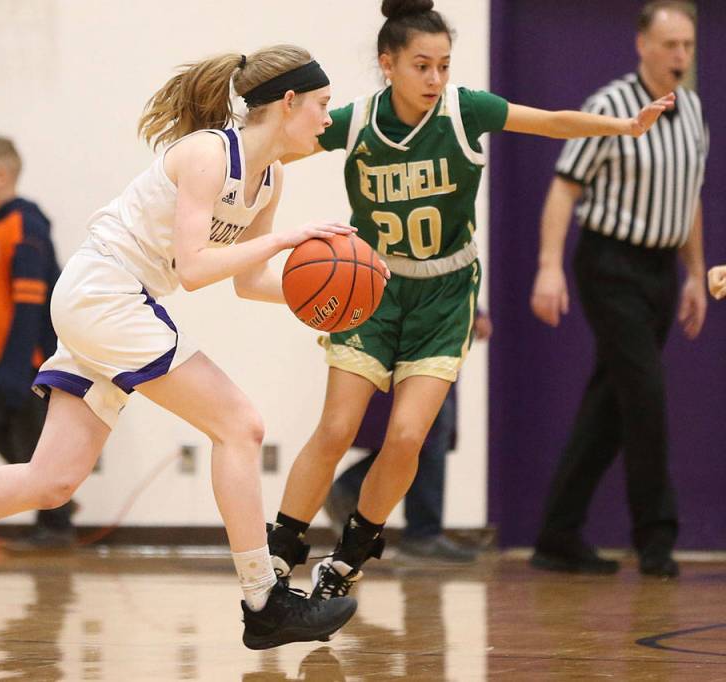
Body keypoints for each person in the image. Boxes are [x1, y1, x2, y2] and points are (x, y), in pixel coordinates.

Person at [0, 44, 359, 650]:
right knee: (239, 425)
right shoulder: (208, 153)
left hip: (118, 302)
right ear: (288, 100)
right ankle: (262, 599)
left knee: (52, 480)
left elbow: (248, 281)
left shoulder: (269, 180)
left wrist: (322, 306)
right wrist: (291, 240)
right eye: (322, 105)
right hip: (105, 290)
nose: (328, 118)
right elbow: (193, 268)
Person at [265, 0, 673, 601]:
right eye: (421, 66)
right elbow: (277, 149)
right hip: (373, 289)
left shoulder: (466, 110)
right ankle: (277, 559)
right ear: (389, 65)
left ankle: (349, 560)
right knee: (335, 428)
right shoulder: (356, 122)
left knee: (407, 438)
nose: (434, 79)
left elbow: (553, 121)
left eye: (443, 66)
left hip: (445, 294)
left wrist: (622, 127)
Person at [528, 0, 707, 579]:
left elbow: (690, 198)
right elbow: (564, 189)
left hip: (660, 270)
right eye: (671, 44)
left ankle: (558, 534)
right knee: (646, 394)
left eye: (688, 44)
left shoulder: (695, 110)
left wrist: (695, 274)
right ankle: (656, 539)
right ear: (643, 46)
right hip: (610, 265)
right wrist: (549, 266)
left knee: (612, 402)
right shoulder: (607, 105)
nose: (681, 55)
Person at [0, 137, 78, 549]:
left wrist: (15, 369)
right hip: (14, 349)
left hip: (31, 355)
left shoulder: (25, 223)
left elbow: (32, 300)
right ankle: (56, 503)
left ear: (0, 174)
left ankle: (56, 522)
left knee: (20, 433)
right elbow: (7, 296)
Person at [325, 310, 492, 564]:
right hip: (423, 326)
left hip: (430, 322)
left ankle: (419, 530)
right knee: (423, 432)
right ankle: (420, 532)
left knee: (424, 435)